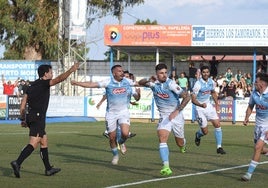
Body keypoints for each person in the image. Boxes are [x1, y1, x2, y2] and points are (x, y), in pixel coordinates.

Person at [10, 62, 79, 178]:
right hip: (37, 118)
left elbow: (23, 102)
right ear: (46, 74)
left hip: (32, 116)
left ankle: (48, 169)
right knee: (33, 143)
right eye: (51, 72)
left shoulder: (31, 85)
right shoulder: (44, 83)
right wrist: (71, 70)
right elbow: (59, 79)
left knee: (44, 141)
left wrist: (23, 117)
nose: (52, 74)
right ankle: (17, 162)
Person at [71, 65, 140, 165]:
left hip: (123, 112)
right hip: (111, 114)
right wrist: (77, 83)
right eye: (119, 71)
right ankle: (115, 155)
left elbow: (139, 86)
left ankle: (120, 142)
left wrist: (147, 85)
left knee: (125, 134)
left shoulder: (127, 81)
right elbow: (91, 84)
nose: (122, 73)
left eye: (122, 71)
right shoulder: (107, 82)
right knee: (112, 138)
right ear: (114, 73)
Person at [138, 63, 190, 176]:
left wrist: (177, 110)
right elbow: (140, 82)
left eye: (166, 73)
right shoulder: (153, 84)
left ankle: (183, 145)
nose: (164, 75)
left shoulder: (171, 84)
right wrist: (149, 79)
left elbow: (187, 96)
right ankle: (166, 166)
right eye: (161, 73)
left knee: (179, 142)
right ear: (156, 74)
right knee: (162, 137)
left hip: (176, 116)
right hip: (164, 116)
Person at [191, 65, 226, 155]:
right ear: (201, 73)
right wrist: (201, 105)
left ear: (209, 73)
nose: (206, 74)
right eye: (204, 72)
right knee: (205, 132)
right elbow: (193, 99)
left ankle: (219, 147)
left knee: (217, 124)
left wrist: (217, 104)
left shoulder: (212, 82)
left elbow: (213, 92)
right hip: (199, 108)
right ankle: (198, 135)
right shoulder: (198, 84)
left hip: (209, 106)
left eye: (207, 72)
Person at [241, 72, 268, 181]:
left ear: (262, 83)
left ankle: (248, 174)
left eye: (256, 82)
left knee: (257, 147)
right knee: (260, 149)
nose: (254, 83)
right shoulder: (254, 94)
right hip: (258, 126)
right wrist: (246, 118)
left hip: (267, 126)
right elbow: (250, 106)